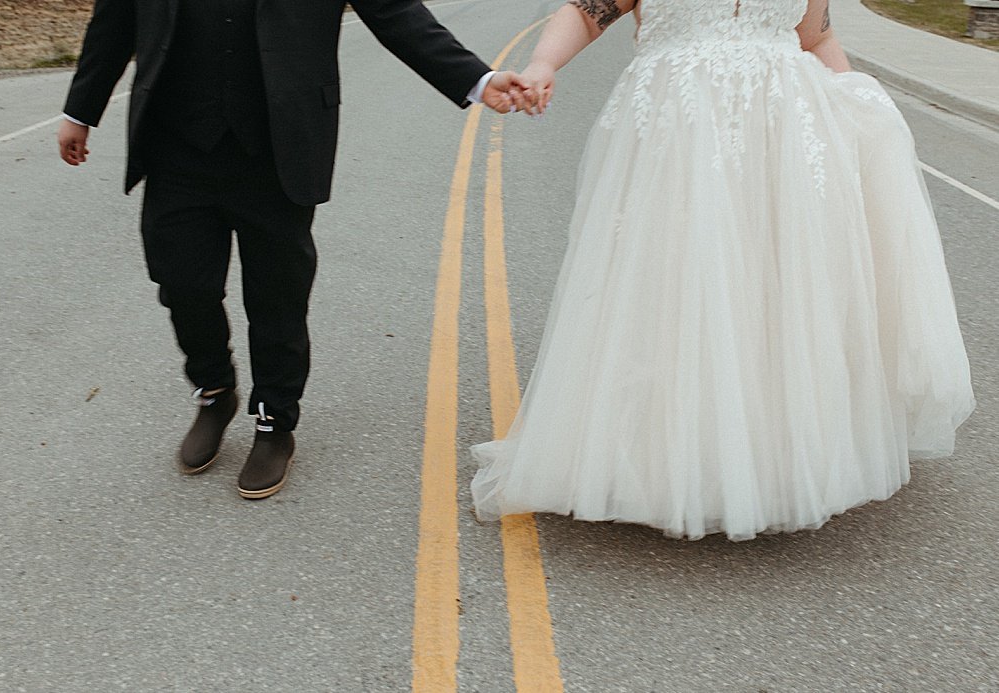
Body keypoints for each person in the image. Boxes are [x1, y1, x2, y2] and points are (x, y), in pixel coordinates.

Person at [471, 0, 974, 540]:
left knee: (771, 291)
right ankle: (659, 460)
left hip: (784, 136)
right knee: (673, 285)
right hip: (678, 131)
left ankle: (773, 461)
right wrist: (545, 64)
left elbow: (817, 39)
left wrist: (857, 108)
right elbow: (589, 10)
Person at [58, 0, 528, 499]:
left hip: (277, 143)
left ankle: (274, 421)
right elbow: (112, 23)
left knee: (277, 294)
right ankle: (214, 390)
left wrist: (477, 79)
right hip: (175, 142)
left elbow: (395, 13)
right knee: (182, 283)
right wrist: (79, 111)